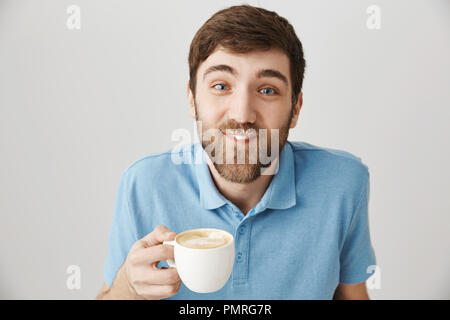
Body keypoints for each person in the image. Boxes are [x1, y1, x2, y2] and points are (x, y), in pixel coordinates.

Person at [96, 4, 376, 300]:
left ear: (295, 109)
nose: (242, 114)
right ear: (192, 99)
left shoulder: (343, 184)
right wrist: (127, 285)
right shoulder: (142, 185)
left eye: (267, 90)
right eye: (220, 85)